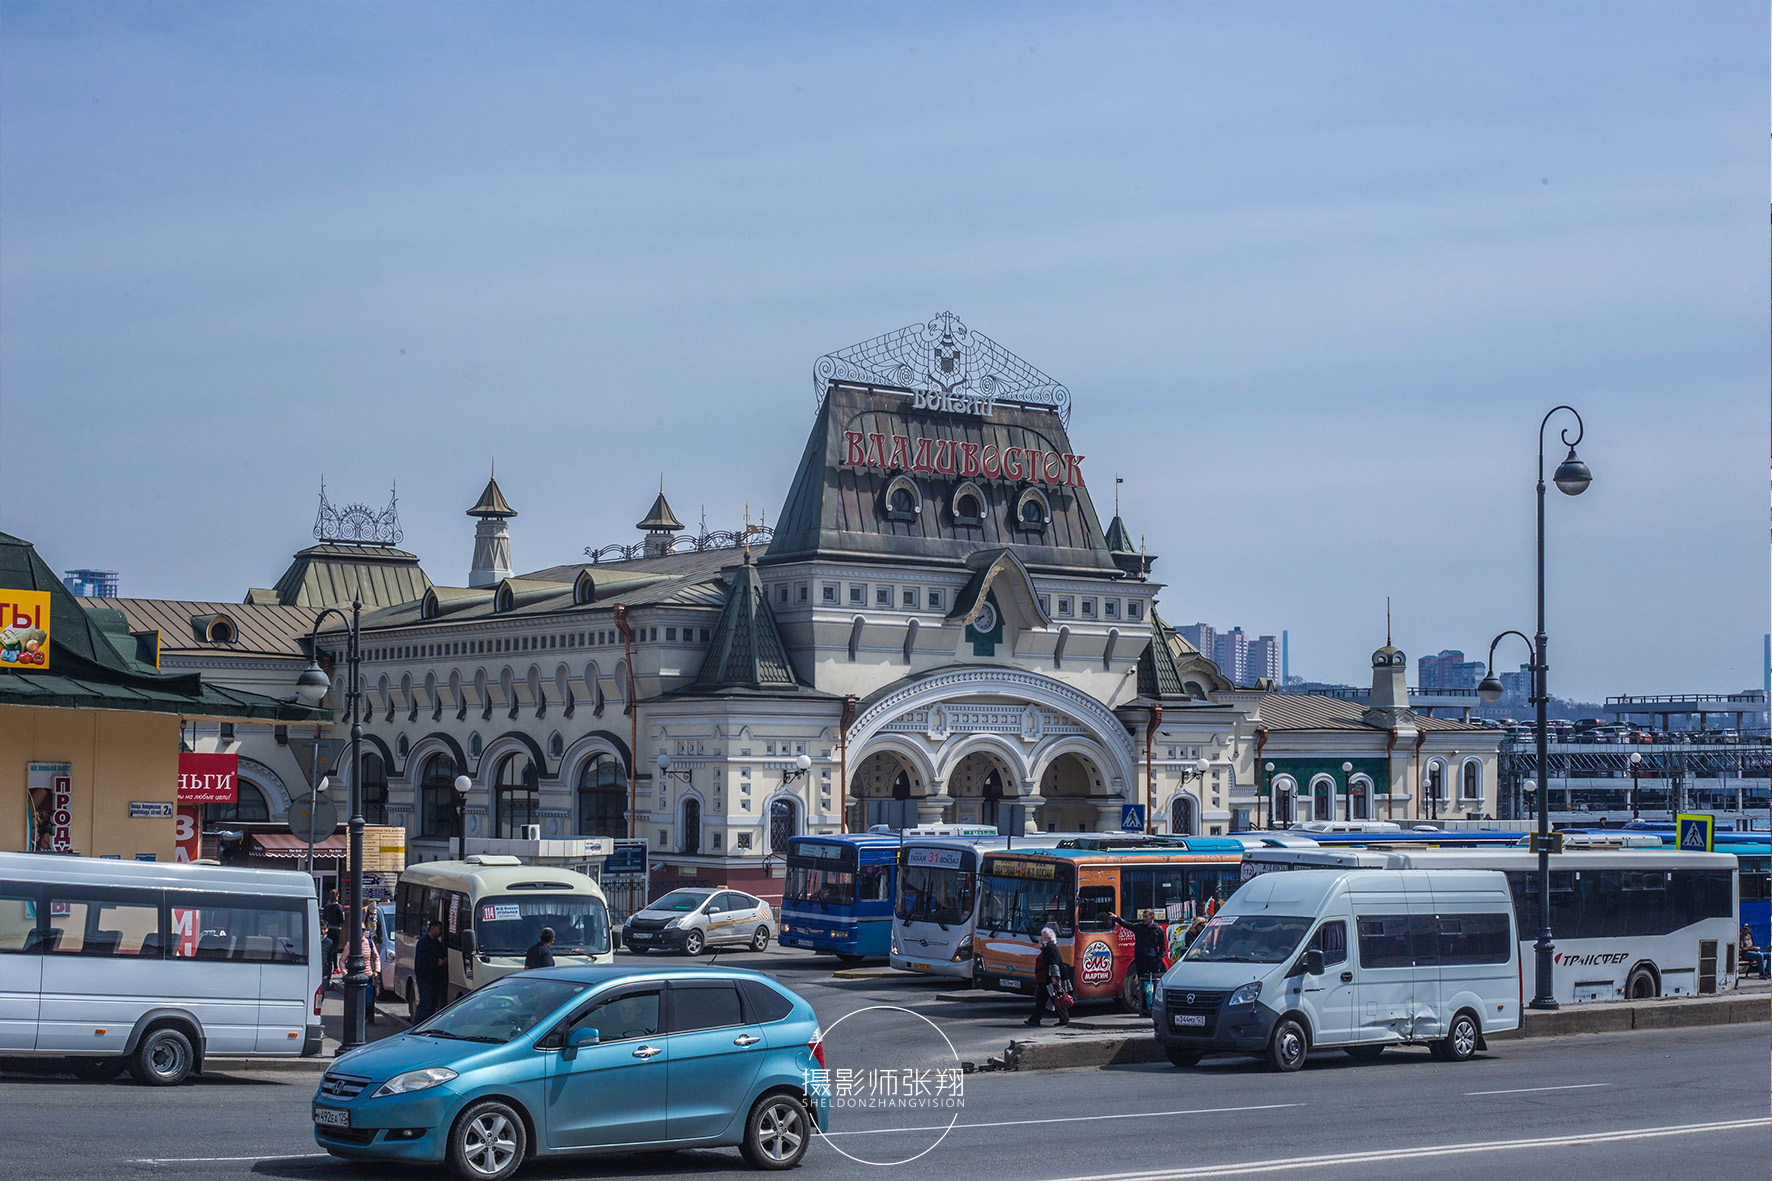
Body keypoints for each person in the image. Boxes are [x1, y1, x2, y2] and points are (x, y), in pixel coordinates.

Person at [1109, 911, 1168, 1014]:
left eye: (1146, 917)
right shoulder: (1139, 927)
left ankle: (1152, 1008)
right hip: (1141, 960)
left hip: (1152, 960)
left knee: (1153, 984)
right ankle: (1143, 1009)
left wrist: (1159, 959)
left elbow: (1162, 947)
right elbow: (1127, 925)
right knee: (1141, 984)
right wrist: (1116, 918)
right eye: (1143, 916)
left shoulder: (1158, 930)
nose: (1144, 919)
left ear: (1152, 917)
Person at [1024, 926, 1070, 1028]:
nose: (1041, 938)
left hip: (1048, 979)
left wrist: (1054, 977)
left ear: (1047, 937)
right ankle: (1035, 1019)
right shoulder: (1047, 947)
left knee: (1054, 998)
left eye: (1042, 936)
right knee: (1043, 999)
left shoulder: (1050, 948)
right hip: (1044, 979)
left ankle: (1064, 1019)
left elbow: (1053, 963)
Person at [413, 919, 449, 1024]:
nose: (441, 931)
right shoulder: (423, 942)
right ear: (432, 929)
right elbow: (423, 958)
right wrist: (436, 961)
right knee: (425, 1003)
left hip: (435, 978)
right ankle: (418, 1025)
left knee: (432, 1005)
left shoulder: (437, 943)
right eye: (439, 929)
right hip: (425, 978)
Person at [355, 921, 382, 1024]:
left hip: (368, 977)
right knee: (356, 1004)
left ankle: (364, 1019)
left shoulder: (370, 943)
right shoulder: (351, 943)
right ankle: (359, 1023)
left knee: (368, 1002)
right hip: (355, 978)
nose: (361, 932)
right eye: (359, 930)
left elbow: (376, 957)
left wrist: (377, 970)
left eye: (363, 930)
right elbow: (342, 960)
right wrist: (345, 973)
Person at [321, 890, 345, 991]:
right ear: (338, 896)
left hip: (329, 928)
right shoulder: (338, 906)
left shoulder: (327, 906)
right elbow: (342, 919)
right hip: (336, 929)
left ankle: (333, 967)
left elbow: (324, 917)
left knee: (329, 947)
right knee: (335, 947)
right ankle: (335, 967)